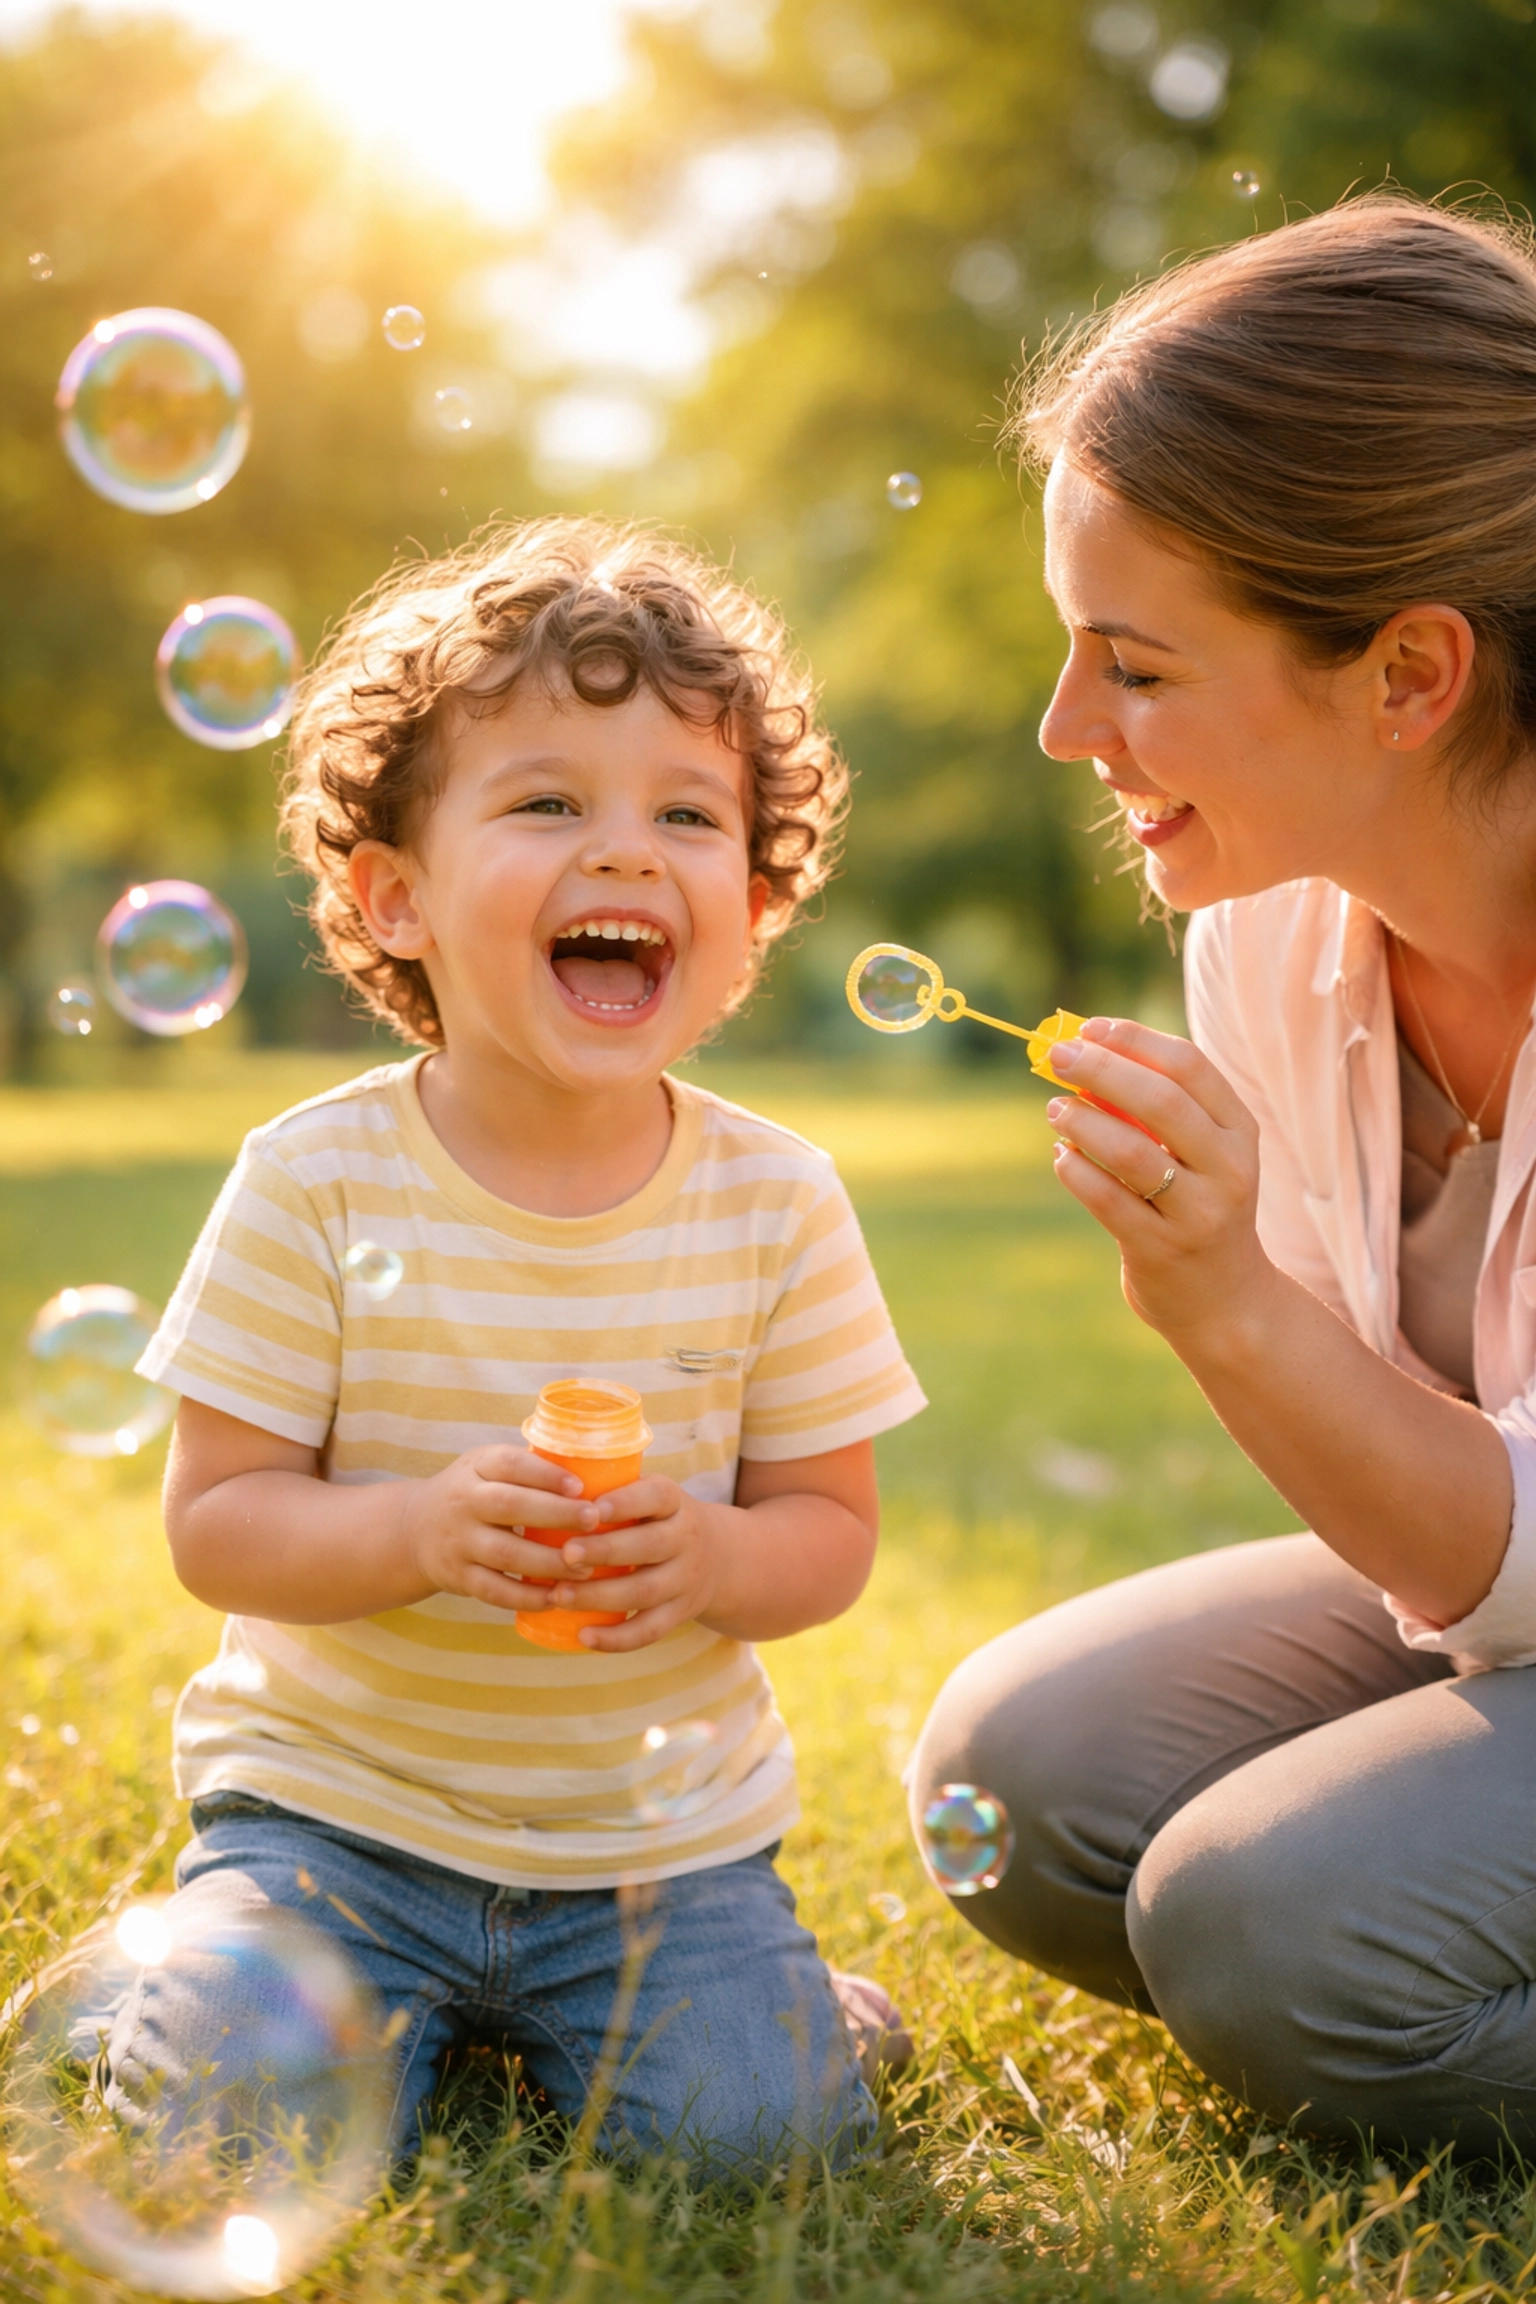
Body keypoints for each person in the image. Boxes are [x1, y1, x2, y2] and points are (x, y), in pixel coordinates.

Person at [119, 518, 926, 2174]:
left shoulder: (778, 1204)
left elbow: (828, 1537)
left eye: (687, 816)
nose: (627, 853)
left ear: (754, 908)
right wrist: (414, 1530)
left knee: (754, 2138)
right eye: (550, 800)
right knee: (223, 2125)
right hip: (333, 1825)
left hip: (656, 1852)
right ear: (394, 896)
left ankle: (787, 2008)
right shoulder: (315, 1181)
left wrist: (711, 1554)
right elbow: (217, 1525)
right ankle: (226, 1974)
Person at [911, 196, 1536, 2156]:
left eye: (1140, 668)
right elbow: (1449, 1542)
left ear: (1409, 673)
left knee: (1268, 1927)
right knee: (1026, 1776)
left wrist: (1225, 1308)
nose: (1066, 730)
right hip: (1493, 1602)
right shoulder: (1268, 936)